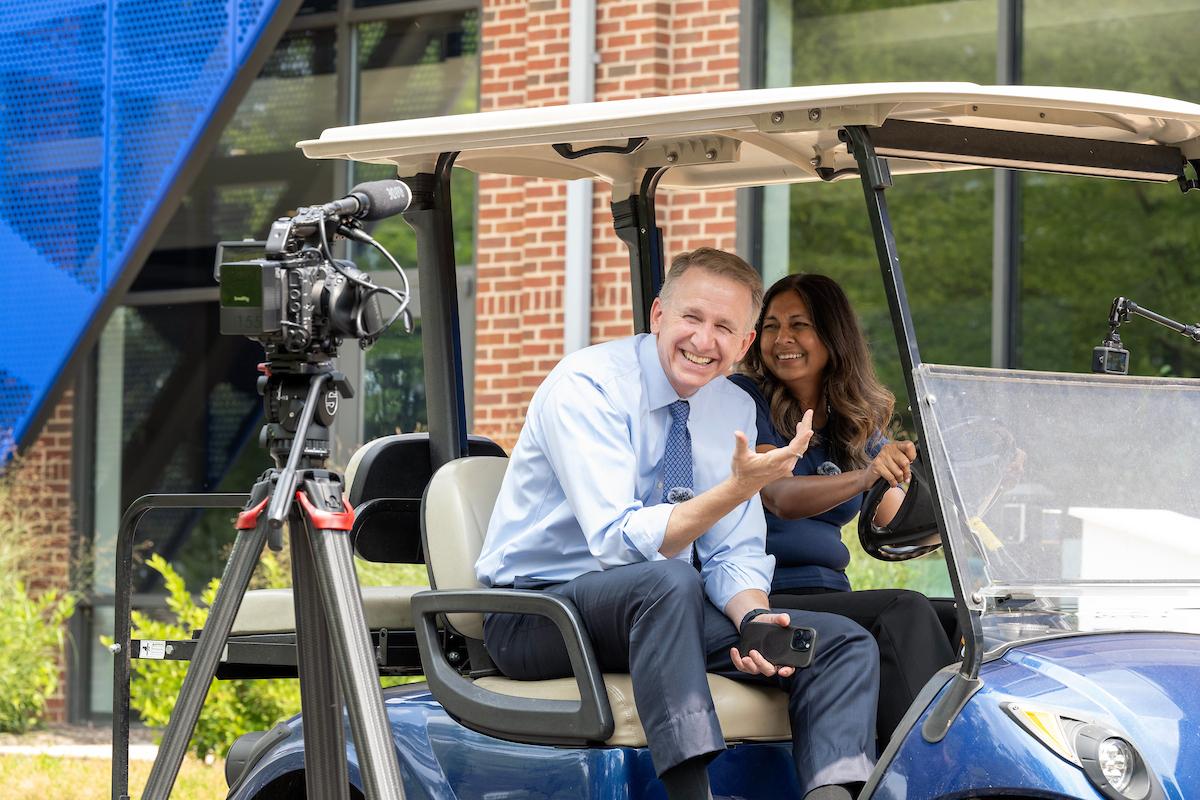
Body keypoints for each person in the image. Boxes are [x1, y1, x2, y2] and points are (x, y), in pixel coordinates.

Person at [476, 249, 879, 800]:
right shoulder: (588, 385)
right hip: (540, 614)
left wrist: (756, 618)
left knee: (839, 644)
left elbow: (730, 552)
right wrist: (737, 488)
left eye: (724, 328)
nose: (703, 340)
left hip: (662, 613)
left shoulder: (730, 407)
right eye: (692, 318)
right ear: (658, 315)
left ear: (743, 345)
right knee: (669, 580)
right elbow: (621, 540)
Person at [730, 272, 957, 743]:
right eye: (771, 326)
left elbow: (894, 516)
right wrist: (867, 474)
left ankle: (902, 759)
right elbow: (779, 495)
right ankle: (925, 772)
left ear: (834, 336)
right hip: (762, 597)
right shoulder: (743, 399)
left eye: (799, 325)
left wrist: (973, 493)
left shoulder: (849, 419)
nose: (783, 339)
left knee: (951, 616)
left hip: (828, 591)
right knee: (905, 609)